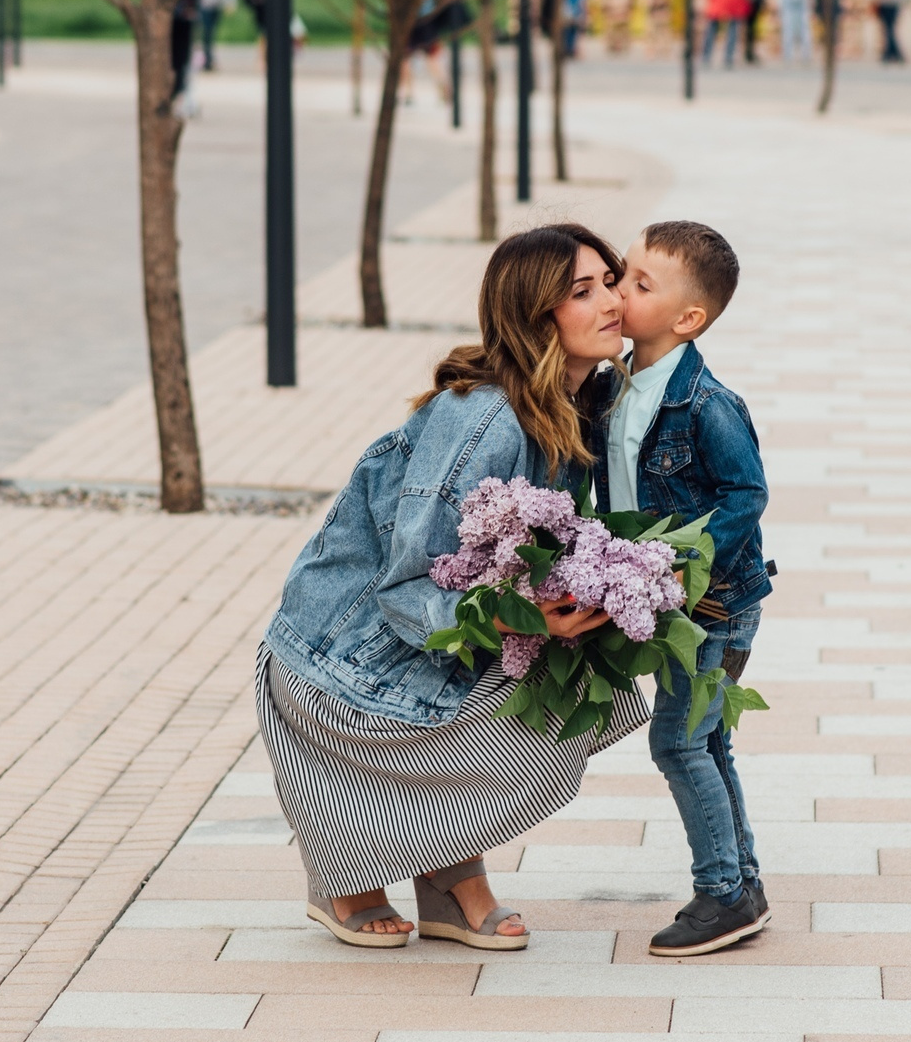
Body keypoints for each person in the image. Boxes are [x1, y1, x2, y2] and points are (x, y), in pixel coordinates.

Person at [258, 224, 643, 949]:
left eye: (613, 281)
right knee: (546, 706)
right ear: (536, 316)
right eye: (583, 291)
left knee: (591, 677)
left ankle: (442, 872)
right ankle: (349, 866)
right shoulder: (486, 418)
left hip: (434, 644)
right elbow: (406, 587)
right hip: (344, 658)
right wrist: (521, 617)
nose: (613, 302)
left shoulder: (576, 404)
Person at [609, 221, 775, 956]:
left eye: (640, 284)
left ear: (688, 319)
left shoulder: (706, 403)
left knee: (678, 741)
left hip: (712, 608)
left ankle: (721, 893)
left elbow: (747, 493)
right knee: (707, 739)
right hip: (669, 602)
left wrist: (684, 569)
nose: (619, 290)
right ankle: (743, 883)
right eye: (623, 272)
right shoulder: (617, 384)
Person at [197, 0, 231, 72]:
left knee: (211, 31)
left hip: (217, 4)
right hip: (206, 3)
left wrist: (229, 2)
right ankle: (208, 59)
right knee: (207, 32)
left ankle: (209, 57)